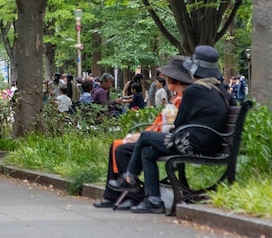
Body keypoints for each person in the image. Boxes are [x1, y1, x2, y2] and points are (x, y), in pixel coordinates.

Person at [108, 46, 231, 214]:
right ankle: (153, 200)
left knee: (145, 136)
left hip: (192, 143)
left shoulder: (194, 90)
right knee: (147, 151)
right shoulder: (222, 91)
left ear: (195, 71)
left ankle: (129, 178)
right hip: (215, 144)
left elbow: (180, 124)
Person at [94, 56, 187, 210]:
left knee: (121, 148)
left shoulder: (183, 97)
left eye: (168, 77)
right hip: (159, 135)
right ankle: (112, 195)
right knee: (116, 145)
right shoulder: (177, 97)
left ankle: (133, 194)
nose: (165, 79)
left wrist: (145, 135)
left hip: (164, 138)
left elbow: (170, 125)